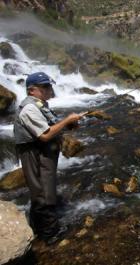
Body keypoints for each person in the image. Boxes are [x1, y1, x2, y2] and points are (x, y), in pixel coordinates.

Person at [13, 72, 83, 244]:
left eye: (49, 85)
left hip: (44, 154)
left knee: (43, 189)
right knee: (43, 192)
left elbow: (51, 127)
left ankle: (37, 228)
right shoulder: (29, 108)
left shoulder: (41, 105)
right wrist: (67, 120)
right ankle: (51, 235)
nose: (49, 89)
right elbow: (44, 135)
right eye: (45, 87)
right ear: (32, 90)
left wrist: (68, 125)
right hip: (36, 154)